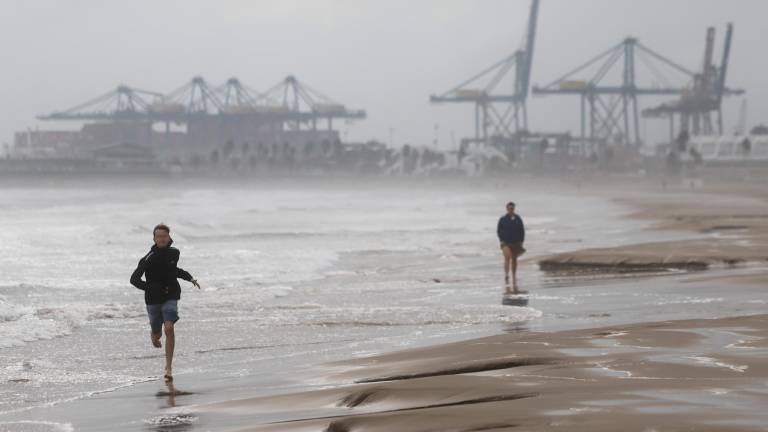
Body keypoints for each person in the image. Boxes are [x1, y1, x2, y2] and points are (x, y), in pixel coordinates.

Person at [130, 223, 200, 382]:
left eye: (164, 236)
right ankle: (154, 335)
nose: (161, 239)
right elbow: (133, 279)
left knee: (169, 327)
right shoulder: (147, 259)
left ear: (169, 237)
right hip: (153, 299)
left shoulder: (175, 253)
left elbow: (173, 270)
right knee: (158, 332)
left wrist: (189, 278)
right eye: (158, 236)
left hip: (171, 294)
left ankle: (168, 367)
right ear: (154, 239)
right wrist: (150, 288)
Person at [497, 202, 525, 287]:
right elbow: (498, 230)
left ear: (514, 208)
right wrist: (501, 240)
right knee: (507, 257)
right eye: (509, 208)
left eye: (512, 208)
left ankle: (513, 275)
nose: (510, 209)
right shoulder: (503, 219)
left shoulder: (518, 218)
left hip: (516, 242)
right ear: (507, 209)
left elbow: (522, 230)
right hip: (505, 242)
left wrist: (521, 241)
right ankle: (506, 274)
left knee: (514, 259)